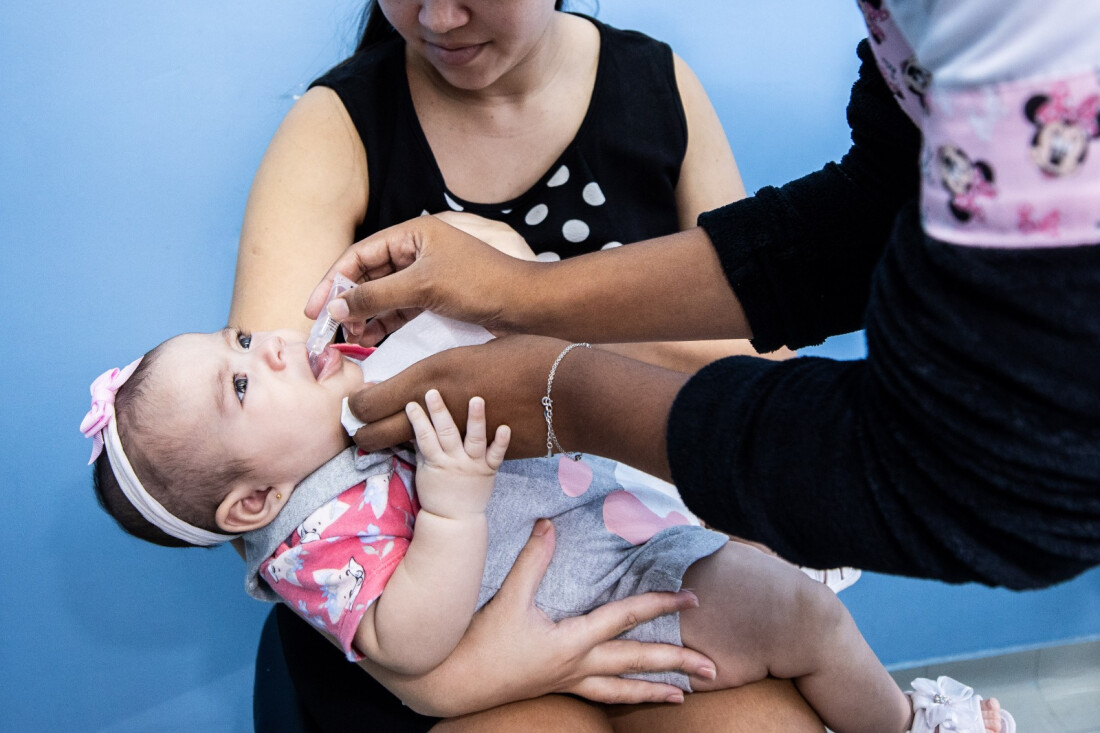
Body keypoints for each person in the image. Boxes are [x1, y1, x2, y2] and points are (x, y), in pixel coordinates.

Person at [310, 0, 1100, 596]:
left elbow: (990, 484)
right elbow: (885, 198)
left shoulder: (1027, 27)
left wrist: (566, 386)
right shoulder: (338, 121)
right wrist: (527, 294)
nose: (440, 15)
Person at [228, 0, 815, 729]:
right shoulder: (336, 127)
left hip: (645, 565)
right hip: (437, 629)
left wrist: (525, 291)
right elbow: (255, 467)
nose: (439, 17)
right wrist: (453, 679)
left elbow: (762, 373)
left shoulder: (655, 89)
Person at [81, 325, 1014, 733]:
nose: (270, 345)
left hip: (618, 525)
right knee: (795, 614)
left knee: (801, 605)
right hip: (606, 602)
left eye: (239, 339)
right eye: (242, 381)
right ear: (251, 504)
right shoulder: (311, 538)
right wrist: (449, 508)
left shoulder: (332, 379)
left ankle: (896, 713)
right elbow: (405, 642)